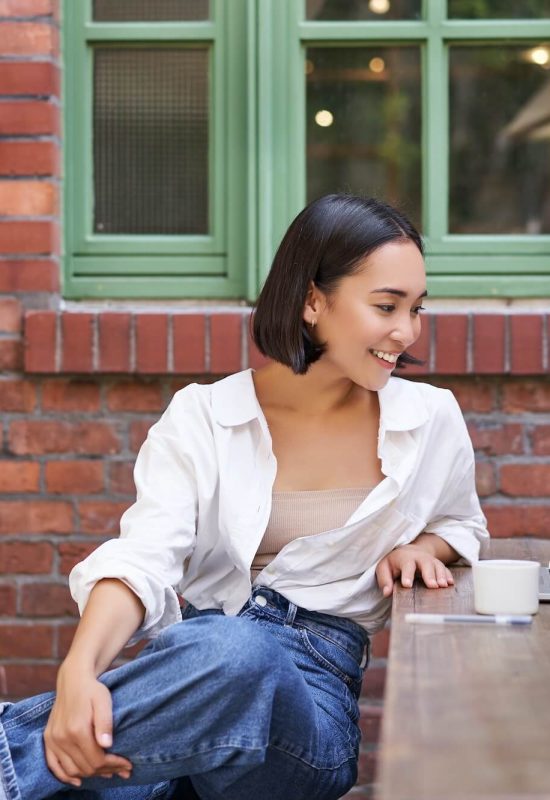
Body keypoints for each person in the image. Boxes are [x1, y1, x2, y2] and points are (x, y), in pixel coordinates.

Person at [0, 194, 488, 800]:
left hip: (308, 713)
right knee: (156, 716)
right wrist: (78, 672)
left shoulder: (429, 417)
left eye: (416, 308)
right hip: (192, 687)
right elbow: (145, 557)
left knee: (237, 652)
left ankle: (9, 759)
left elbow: (463, 523)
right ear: (313, 300)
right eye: (386, 306)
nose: (406, 331)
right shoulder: (204, 414)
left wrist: (431, 546)